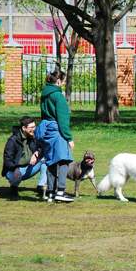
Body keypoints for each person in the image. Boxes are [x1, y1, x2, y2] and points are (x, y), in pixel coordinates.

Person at [35, 68, 75, 203]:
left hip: (46, 129)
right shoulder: (58, 96)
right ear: (58, 81)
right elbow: (63, 119)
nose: (63, 84)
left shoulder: (44, 94)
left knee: (51, 161)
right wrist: (69, 138)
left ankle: (51, 193)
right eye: (63, 81)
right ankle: (60, 192)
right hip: (56, 130)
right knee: (64, 160)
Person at [1, 116, 47, 198]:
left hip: (29, 167)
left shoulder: (33, 136)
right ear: (23, 128)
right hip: (14, 171)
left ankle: (41, 187)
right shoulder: (13, 140)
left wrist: (36, 153)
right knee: (16, 174)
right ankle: (13, 188)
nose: (34, 129)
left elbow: (42, 147)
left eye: (35, 126)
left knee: (47, 160)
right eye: (31, 127)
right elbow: (7, 160)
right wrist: (15, 168)